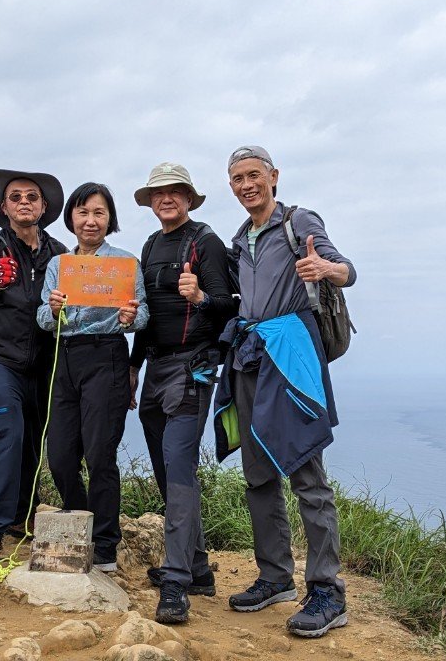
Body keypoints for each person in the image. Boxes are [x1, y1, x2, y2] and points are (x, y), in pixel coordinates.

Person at [213, 145, 356, 638]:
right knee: (258, 475)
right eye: (238, 179)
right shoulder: (240, 239)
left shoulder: (299, 222)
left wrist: (326, 270)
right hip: (250, 357)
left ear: (273, 176)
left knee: (307, 475)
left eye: (254, 175)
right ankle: (275, 578)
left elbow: (347, 269)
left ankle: (327, 590)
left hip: (291, 358)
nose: (247, 185)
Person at [128, 163, 237, 623]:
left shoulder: (205, 240)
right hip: (155, 366)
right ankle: (197, 568)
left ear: (189, 198)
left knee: (178, 469)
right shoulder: (151, 245)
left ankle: (175, 583)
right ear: (151, 202)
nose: (166, 199)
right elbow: (145, 313)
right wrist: (133, 366)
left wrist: (199, 299)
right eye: (159, 193)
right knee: (166, 467)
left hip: (194, 366)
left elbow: (229, 306)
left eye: (176, 192)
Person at [36, 183, 148, 572]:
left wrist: (130, 317)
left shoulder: (125, 263)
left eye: (99, 213)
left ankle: (104, 544)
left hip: (106, 355)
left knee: (100, 453)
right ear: (71, 218)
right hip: (63, 357)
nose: (90, 220)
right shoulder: (59, 265)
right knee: (60, 455)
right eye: (83, 212)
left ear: (109, 219)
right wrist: (52, 310)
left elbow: (142, 314)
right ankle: (81, 520)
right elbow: (42, 318)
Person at [0, 168, 69, 564]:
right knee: (9, 431)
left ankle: (21, 516)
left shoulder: (60, 252)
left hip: (41, 361)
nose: (25, 202)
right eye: (16, 197)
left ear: (43, 207)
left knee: (32, 440)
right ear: (4, 208)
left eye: (32, 197)